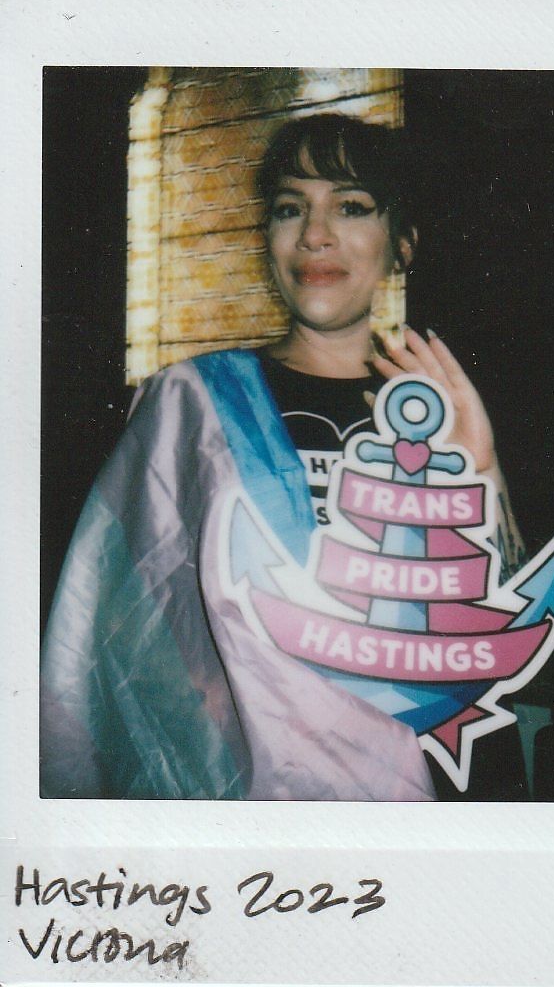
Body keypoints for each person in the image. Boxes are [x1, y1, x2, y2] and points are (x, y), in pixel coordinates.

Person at [41, 113, 525, 801]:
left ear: (402, 246)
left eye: (350, 206)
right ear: (267, 238)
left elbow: (504, 624)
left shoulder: (438, 409)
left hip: (436, 779)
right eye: (290, 208)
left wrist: (481, 467)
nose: (315, 233)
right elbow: (116, 619)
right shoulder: (193, 402)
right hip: (262, 783)